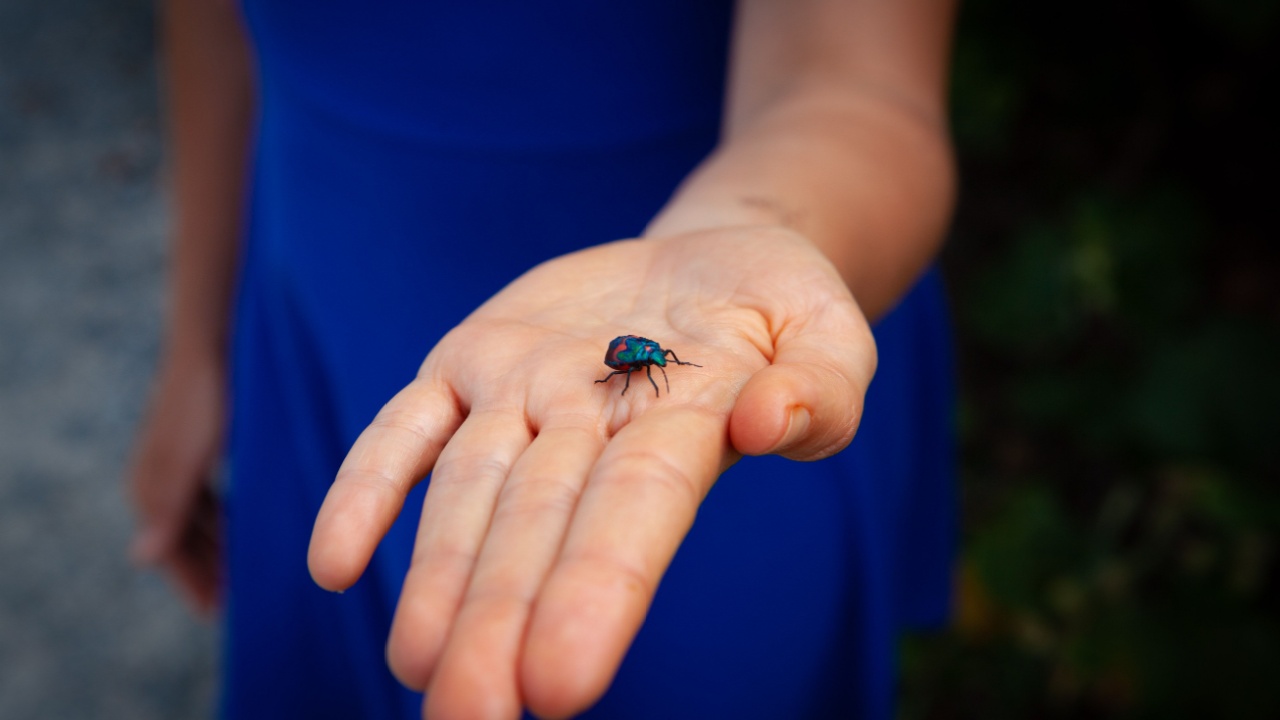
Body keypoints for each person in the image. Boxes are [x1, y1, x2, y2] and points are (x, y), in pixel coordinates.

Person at [129, 0, 959, 718]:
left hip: (737, 234)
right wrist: (196, 340)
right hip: (321, 268)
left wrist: (747, 224)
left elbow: (857, 84)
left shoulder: (656, 355)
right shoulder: (632, 357)